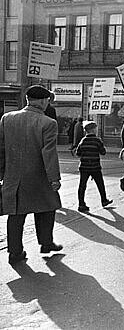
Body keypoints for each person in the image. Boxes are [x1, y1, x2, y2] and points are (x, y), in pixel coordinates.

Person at [0, 85, 63, 264]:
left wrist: (1, 173)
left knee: (16, 214)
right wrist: (54, 179)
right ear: (44, 101)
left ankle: (15, 252)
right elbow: (49, 153)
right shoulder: (48, 123)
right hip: (39, 177)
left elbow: (1, 149)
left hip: (13, 177)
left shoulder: (7, 118)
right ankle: (46, 242)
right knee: (47, 207)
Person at [75, 121, 113, 212]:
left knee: (82, 185)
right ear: (93, 130)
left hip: (84, 167)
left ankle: (81, 204)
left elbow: (78, 153)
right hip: (95, 166)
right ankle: (104, 200)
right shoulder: (97, 140)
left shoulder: (83, 140)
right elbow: (103, 152)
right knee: (100, 184)